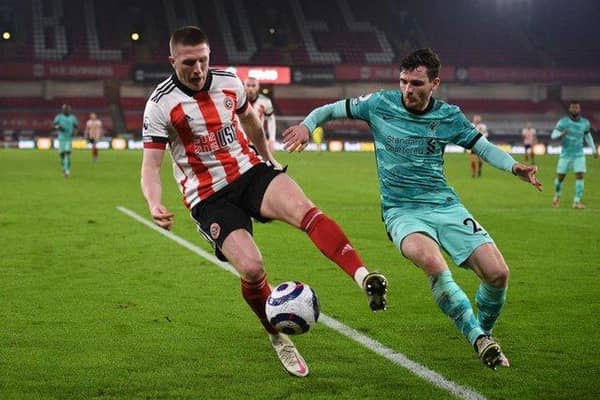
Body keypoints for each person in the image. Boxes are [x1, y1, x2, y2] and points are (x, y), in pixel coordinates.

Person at [140, 26, 387, 378]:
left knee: (307, 211)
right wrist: (154, 202)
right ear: (172, 60)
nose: (198, 70)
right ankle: (277, 336)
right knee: (253, 269)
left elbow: (250, 120)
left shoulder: (229, 81)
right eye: (189, 62)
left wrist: (267, 157)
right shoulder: (160, 104)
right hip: (208, 197)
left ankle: (364, 277)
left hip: (249, 171)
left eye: (204, 60)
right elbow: (150, 165)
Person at [283, 48, 542, 370]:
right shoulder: (379, 104)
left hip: (445, 205)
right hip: (401, 211)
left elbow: (482, 146)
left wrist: (515, 166)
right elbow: (331, 109)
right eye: (404, 81)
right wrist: (308, 125)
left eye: (416, 83)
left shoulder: (449, 116)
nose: (408, 89)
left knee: (498, 274)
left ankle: (483, 329)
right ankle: (478, 338)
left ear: (434, 83)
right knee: (433, 262)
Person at [551, 101, 598, 209]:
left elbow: (588, 136)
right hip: (565, 155)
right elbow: (553, 135)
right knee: (560, 178)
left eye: (576, 107)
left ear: (579, 109)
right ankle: (557, 196)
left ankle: (576, 201)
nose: (575, 109)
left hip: (579, 155)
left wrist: (594, 150)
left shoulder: (585, 123)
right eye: (573, 107)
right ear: (569, 109)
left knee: (580, 176)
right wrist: (560, 134)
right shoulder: (563, 122)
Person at [244, 76, 277, 153]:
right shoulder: (238, 100)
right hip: (241, 139)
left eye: (253, 86)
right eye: (248, 85)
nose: (250, 88)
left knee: (262, 163)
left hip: (258, 139)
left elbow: (271, 120)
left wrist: (272, 140)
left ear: (258, 87)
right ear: (244, 86)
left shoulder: (265, 101)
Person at [52, 104, 79, 178]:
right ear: (63, 110)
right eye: (65, 109)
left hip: (69, 138)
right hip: (61, 138)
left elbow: (76, 126)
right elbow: (53, 125)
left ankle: (67, 171)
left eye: (68, 109)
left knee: (67, 153)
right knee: (62, 155)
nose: (67, 110)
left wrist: (75, 132)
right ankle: (64, 167)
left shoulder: (73, 117)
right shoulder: (59, 117)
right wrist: (58, 127)